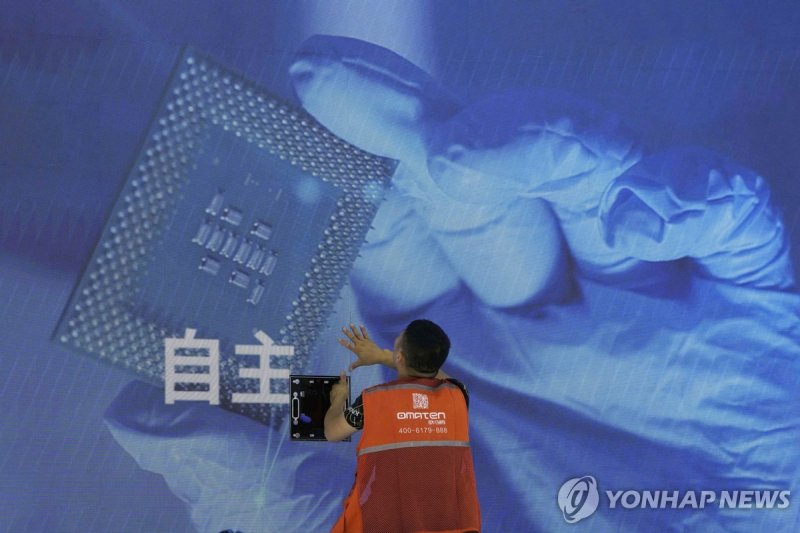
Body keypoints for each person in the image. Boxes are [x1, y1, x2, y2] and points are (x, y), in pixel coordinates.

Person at [324, 320, 480, 533]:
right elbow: (439, 374)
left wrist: (338, 400)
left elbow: (333, 432)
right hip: (450, 526)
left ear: (400, 357)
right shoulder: (458, 395)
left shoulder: (374, 399)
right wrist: (388, 357)